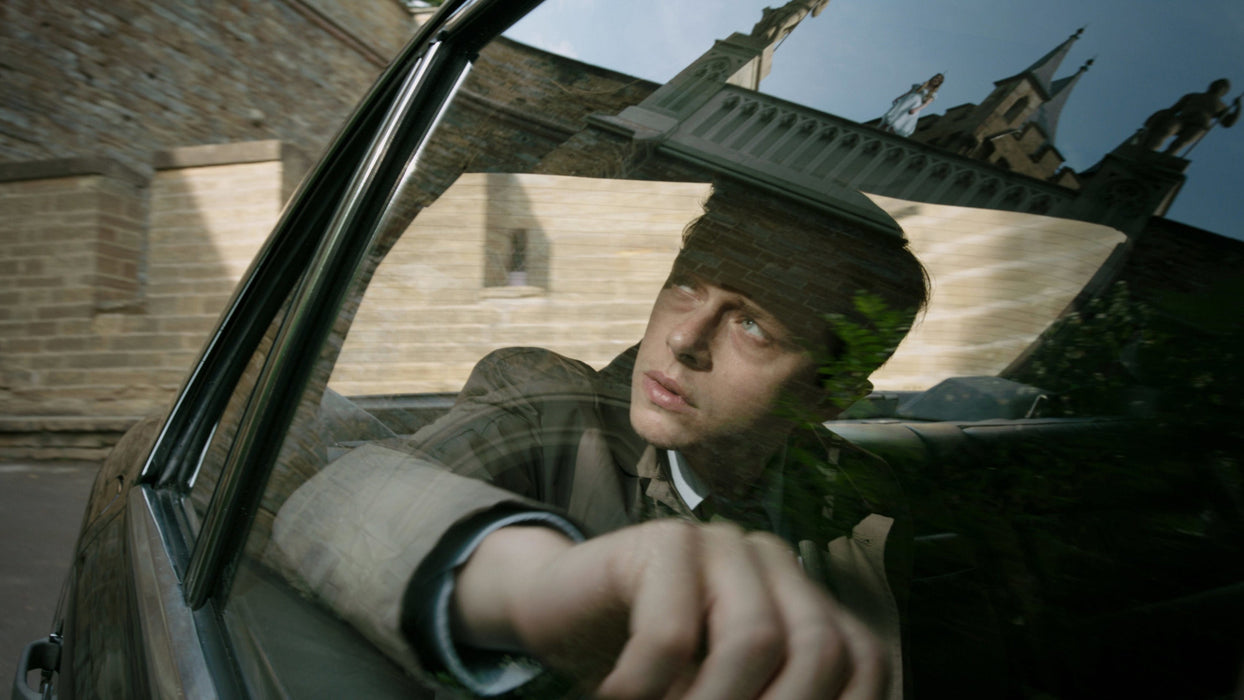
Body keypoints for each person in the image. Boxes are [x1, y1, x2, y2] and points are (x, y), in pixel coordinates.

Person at [269, 178, 929, 699]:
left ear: (830, 394)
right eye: (687, 283)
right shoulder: (547, 409)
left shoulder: (862, 499)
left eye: (753, 325)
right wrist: (538, 584)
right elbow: (334, 503)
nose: (684, 338)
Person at [1137, 78, 1240, 155]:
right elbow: (1174, 109)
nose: (1217, 86)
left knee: (1179, 144)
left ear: (1224, 91)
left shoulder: (1222, 106)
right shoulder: (1193, 96)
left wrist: (1238, 107)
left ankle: (1165, 158)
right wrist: (1159, 117)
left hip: (1199, 126)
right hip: (1181, 120)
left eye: (1222, 86)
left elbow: (1228, 123)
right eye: (1217, 83)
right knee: (1165, 130)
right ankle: (1148, 150)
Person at [878, 74, 944, 137]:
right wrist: (899, 98)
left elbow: (926, 104)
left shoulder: (933, 94)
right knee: (891, 118)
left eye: (938, 80)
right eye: (936, 77)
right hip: (905, 101)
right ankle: (880, 132)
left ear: (939, 83)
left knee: (899, 122)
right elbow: (908, 92)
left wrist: (916, 109)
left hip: (914, 106)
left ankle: (891, 135)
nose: (936, 80)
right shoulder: (919, 86)